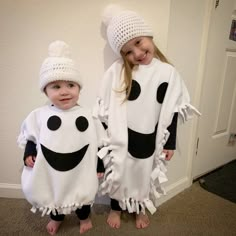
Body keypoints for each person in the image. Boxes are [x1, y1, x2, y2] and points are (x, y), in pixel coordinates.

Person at [93, 5, 200, 229]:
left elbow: (172, 109)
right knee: (119, 170)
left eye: (139, 43)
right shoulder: (118, 71)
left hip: (149, 137)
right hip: (121, 135)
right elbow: (104, 105)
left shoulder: (167, 73)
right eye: (128, 51)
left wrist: (169, 141)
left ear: (148, 35)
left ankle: (140, 208)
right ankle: (116, 207)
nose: (137, 54)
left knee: (143, 173)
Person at [17, 40, 105, 235]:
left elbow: (98, 142)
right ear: (45, 91)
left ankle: (84, 217)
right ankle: (56, 217)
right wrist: (29, 153)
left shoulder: (89, 116)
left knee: (82, 195)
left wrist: (99, 164)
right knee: (54, 194)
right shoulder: (39, 115)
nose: (64, 91)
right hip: (52, 170)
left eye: (71, 85)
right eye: (56, 86)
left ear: (79, 89)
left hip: (81, 168)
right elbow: (31, 137)